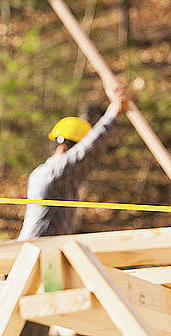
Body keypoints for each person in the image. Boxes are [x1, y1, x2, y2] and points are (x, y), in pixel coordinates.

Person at [18, 87, 128, 242]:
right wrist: (113, 112)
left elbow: (88, 155)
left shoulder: (67, 180)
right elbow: (86, 151)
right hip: (32, 256)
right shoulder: (49, 174)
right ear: (63, 148)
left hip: (51, 256)